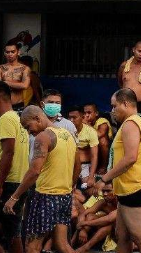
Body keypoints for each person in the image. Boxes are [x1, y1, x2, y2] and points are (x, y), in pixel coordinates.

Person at [4, 106, 79, 253]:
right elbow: (77, 166)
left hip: (45, 197)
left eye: (28, 126)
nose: (28, 131)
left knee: (32, 247)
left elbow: (34, 171)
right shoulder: (68, 134)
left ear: (37, 118)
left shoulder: (43, 137)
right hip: (64, 196)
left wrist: (14, 197)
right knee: (62, 245)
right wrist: (69, 187)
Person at [92, 89, 141, 253]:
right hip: (128, 188)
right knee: (122, 235)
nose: (112, 111)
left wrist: (104, 179)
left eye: (114, 106)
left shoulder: (131, 124)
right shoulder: (136, 122)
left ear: (125, 104)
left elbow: (130, 158)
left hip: (135, 187)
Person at [0, 82, 28, 253]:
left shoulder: (5, 119)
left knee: (12, 232)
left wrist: (0, 183)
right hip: (17, 181)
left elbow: (8, 152)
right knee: (11, 231)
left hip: (9, 181)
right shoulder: (17, 118)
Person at [74, 181, 117, 253]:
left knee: (109, 225)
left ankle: (86, 247)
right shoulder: (103, 202)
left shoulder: (121, 203)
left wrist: (84, 223)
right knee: (90, 216)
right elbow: (84, 214)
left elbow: (109, 219)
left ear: (116, 191)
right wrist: (83, 230)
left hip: (120, 231)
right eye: (103, 191)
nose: (105, 194)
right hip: (105, 228)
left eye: (108, 191)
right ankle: (74, 244)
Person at [67, 106, 99, 190]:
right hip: (69, 165)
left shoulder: (91, 132)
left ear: (82, 117)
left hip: (84, 166)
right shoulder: (64, 130)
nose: (71, 120)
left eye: (74, 117)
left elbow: (94, 156)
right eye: (69, 117)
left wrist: (91, 176)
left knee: (90, 188)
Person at [83, 103, 111, 174]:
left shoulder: (102, 121)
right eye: (84, 113)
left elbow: (99, 134)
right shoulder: (82, 122)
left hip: (101, 151)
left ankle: (103, 167)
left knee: (103, 141)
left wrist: (87, 124)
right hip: (88, 150)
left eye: (89, 112)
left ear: (96, 113)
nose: (86, 115)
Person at [0, 44, 30, 110]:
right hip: (3, 105)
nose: (10, 54)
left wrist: (5, 82)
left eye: (13, 52)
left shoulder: (24, 68)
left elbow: (25, 85)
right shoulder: (1, 68)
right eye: (7, 52)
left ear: (18, 52)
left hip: (18, 105)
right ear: (4, 53)